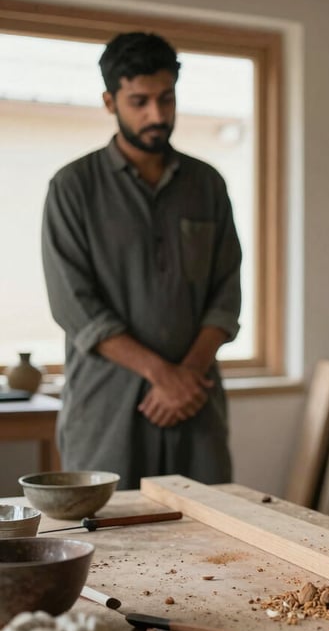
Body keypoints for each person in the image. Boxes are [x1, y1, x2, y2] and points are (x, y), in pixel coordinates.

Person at [42, 32, 242, 490]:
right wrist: (161, 375)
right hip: (107, 412)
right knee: (106, 547)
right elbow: (74, 306)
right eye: (140, 101)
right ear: (110, 102)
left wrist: (186, 376)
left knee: (212, 543)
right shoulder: (72, 188)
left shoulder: (207, 185)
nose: (157, 114)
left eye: (166, 98)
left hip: (197, 406)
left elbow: (226, 293)